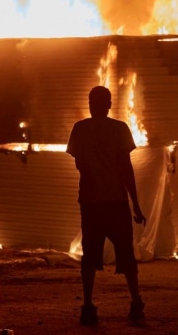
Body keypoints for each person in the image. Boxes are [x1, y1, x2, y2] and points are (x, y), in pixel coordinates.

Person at [66, 86, 147, 326]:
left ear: (91, 104)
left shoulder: (79, 129)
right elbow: (126, 169)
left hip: (91, 203)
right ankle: (136, 304)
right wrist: (136, 204)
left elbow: (79, 164)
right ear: (109, 104)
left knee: (89, 257)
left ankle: (88, 307)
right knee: (126, 255)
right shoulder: (120, 129)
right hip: (116, 202)